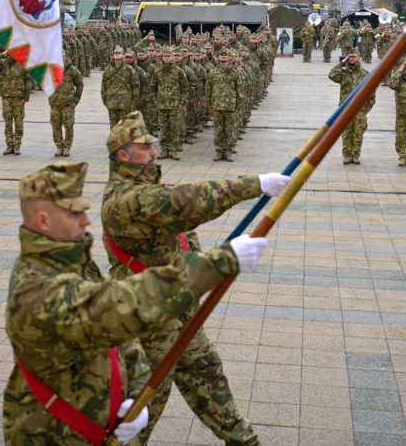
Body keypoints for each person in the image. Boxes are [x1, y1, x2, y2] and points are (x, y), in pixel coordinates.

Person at [4, 160, 267, 444]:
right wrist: (218, 263)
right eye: (74, 213)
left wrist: (134, 391)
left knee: (204, 370)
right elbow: (121, 306)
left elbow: (122, 339)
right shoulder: (36, 288)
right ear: (43, 221)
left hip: (93, 425)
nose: (87, 220)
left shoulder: (72, 264)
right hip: (54, 434)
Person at [101, 112, 289, 444]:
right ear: (123, 156)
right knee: (145, 402)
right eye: (145, 147)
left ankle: (244, 441)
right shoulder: (125, 200)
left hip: (176, 305)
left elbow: (182, 233)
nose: (154, 152)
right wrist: (253, 185)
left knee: (206, 371)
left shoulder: (145, 187)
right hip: (146, 314)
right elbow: (184, 203)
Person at [328, 49, 374, 164]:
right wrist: (342, 63)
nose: (352, 59)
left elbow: (371, 90)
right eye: (350, 57)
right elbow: (331, 75)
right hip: (346, 108)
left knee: (358, 132)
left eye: (354, 56)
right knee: (346, 132)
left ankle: (356, 155)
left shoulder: (365, 73)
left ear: (359, 58)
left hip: (360, 108)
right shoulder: (344, 72)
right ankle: (347, 155)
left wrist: (370, 104)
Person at [48, 51, 84, 156]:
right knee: (55, 126)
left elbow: (80, 85)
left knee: (68, 126)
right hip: (55, 103)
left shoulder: (73, 70)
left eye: (62, 56)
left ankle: (67, 147)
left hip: (68, 104)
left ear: (66, 57)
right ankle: (59, 146)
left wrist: (75, 100)